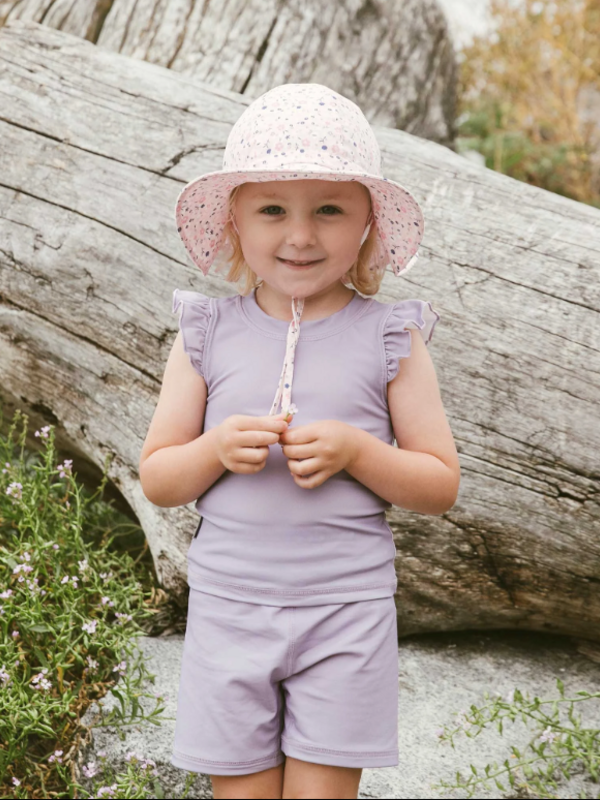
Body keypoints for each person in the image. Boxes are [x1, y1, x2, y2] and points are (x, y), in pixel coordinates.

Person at [139, 83, 460, 800]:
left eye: (329, 210)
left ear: (368, 224)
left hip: (345, 614)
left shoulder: (392, 336)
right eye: (273, 210)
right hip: (228, 608)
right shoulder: (205, 334)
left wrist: (358, 451)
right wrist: (216, 447)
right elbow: (159, 476)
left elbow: (440, 484)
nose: (301, 236)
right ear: (235, 221)